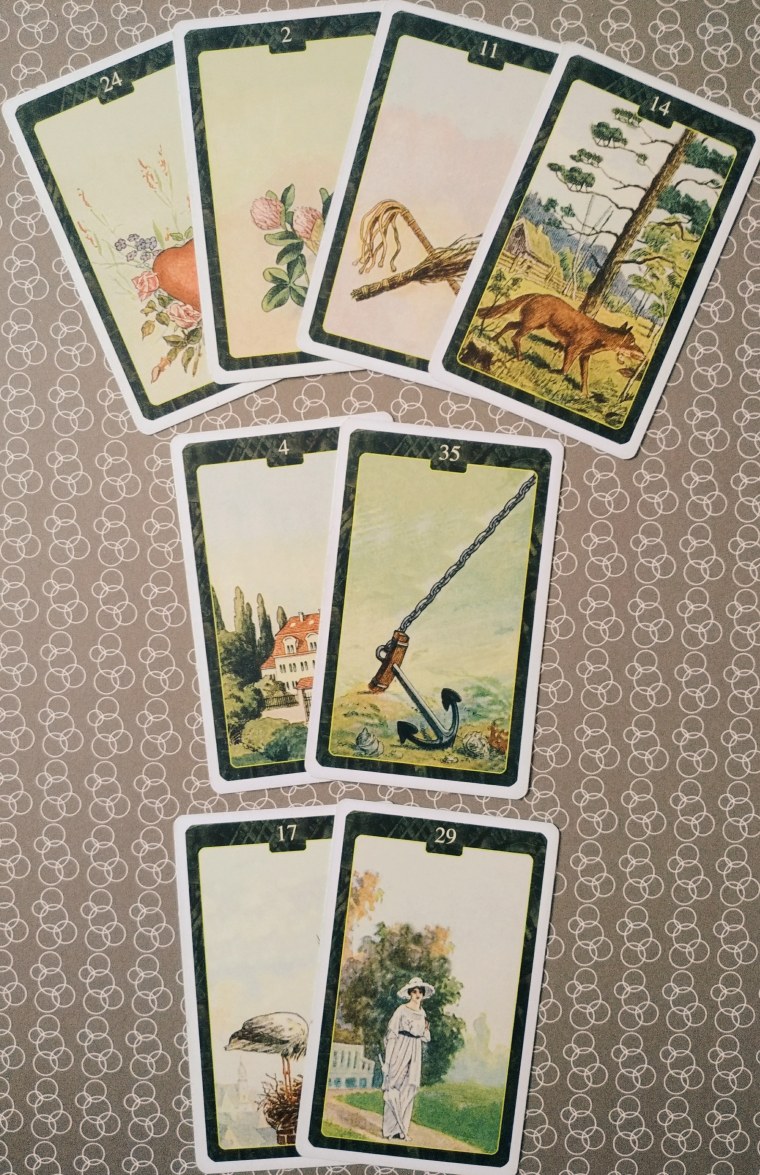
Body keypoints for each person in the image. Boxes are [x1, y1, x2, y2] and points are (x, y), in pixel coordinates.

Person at [380, 976, 434, 1141]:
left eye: (420, 992)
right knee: (394, 1086)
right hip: (400, 1047)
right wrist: (387, 1062)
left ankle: (401, 1129)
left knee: (409, 1088)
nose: (417, 995)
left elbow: (425, 1037)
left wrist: (426, 1030)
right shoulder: (401, 1010)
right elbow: (392, 1035)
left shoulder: (422, 1013)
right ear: (410, 993)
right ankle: (389, 1130)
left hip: (415, 1050)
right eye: (414, 991)